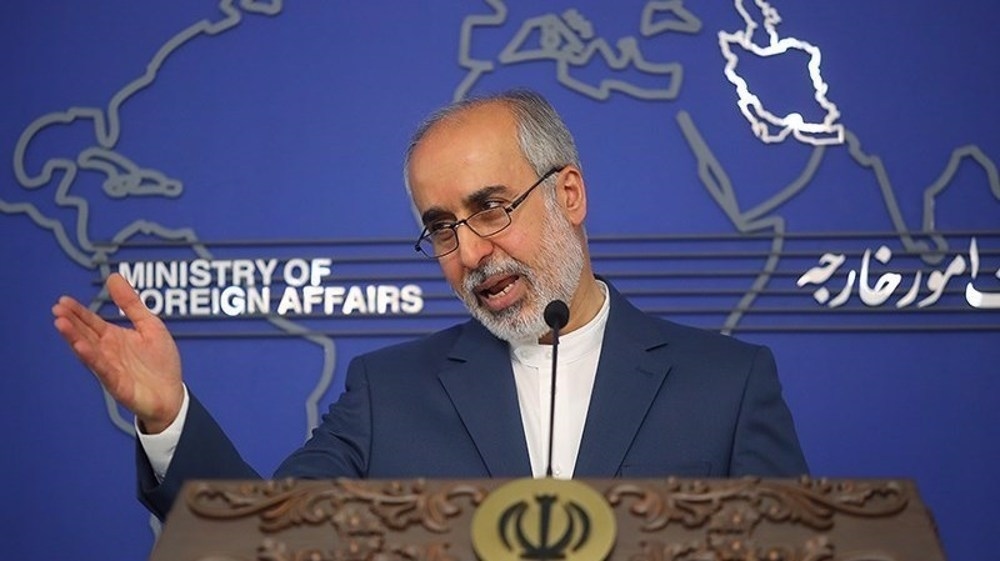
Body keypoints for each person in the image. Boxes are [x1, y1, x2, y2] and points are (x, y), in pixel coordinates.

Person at [52, 89, 808, 521]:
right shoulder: (388, 393)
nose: (471, 252)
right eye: (442, 228)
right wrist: (168, 417)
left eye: (491, 208)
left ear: (569, 194)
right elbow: (265, 531)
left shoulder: (728, 384)